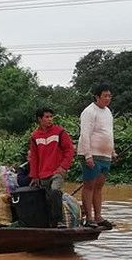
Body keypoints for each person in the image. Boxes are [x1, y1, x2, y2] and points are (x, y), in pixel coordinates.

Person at [78, 83, 117, 230]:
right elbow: (85, 134)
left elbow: (109, 133)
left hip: (105, 155)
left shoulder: (108, 112)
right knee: (89, 186)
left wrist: (112, 151)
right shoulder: (89, 112)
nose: (108, 99)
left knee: (99, 187)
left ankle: (98, 216)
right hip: (92, 154)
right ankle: (89, 218)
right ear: (97, 97)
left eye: (109, 96)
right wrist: (87, 155)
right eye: (105, 96)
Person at [29, 108, 76, 228]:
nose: (50, 119)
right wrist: (34, 176)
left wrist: (63, 167)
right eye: (47, 117)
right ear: (40, 119)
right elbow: (34, 158)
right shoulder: (35, 136)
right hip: (43, 173)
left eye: (51, 117)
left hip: (57, 171)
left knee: (55, 191)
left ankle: (59, 220)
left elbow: (69, 150)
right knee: (47, 199)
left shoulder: (59, 132)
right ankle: (51, 224)